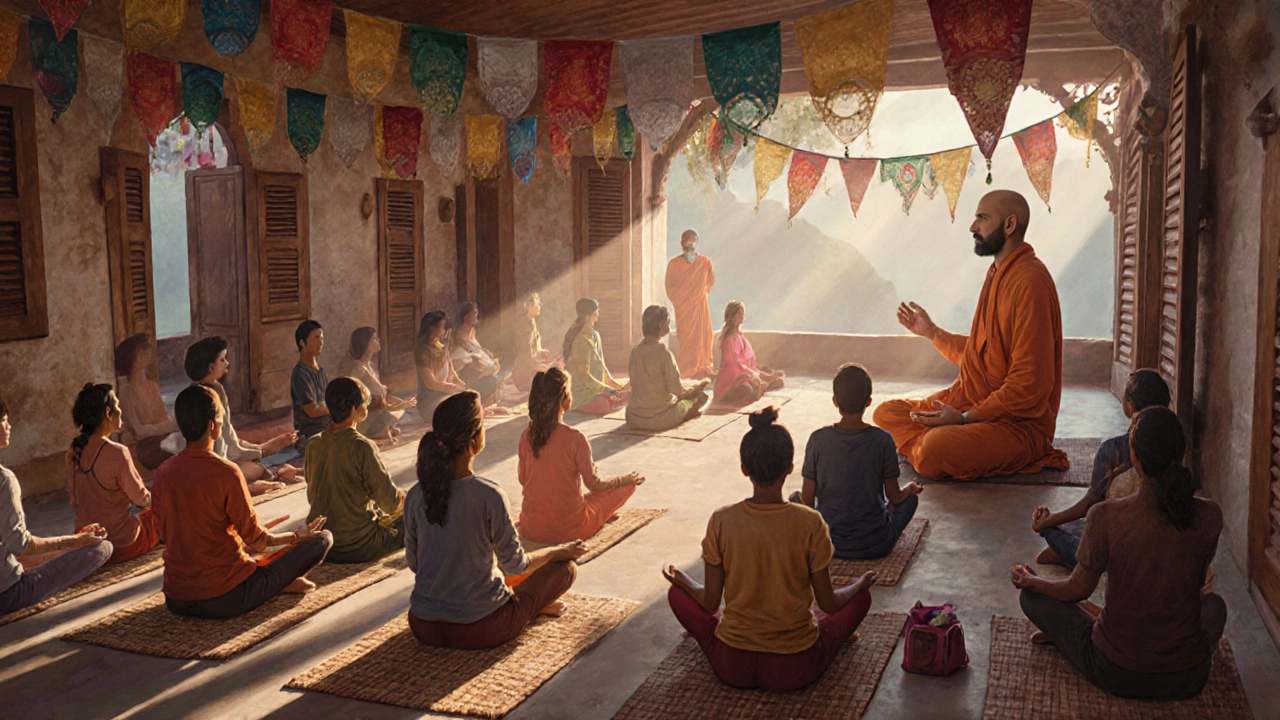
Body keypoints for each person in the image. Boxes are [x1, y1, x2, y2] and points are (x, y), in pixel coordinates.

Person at [1012, 406, 1226, 701]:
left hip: (1116, 671)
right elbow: (1195, 584)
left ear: (1134, 458)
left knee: (1032, 599)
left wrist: (1033, 582)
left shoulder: (1105, 516)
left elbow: (1076, 589)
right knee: (1215, 606)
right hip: (1188, 677)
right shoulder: (1211, 515)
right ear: (1181, 454)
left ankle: (1075, 627)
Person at [663, 407, 877, 691]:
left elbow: (711, 602)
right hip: (795, 667)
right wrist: (857, 586)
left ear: (744, 468)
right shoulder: (810, 522)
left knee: (676, 594)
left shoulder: (721, 520)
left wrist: (685, 582)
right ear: (790, 467)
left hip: (731, 664)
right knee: (861, 601)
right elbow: (828, 604)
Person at [873, 191, 1067, 480]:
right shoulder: (997, 274)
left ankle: (922, 449)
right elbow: (979, 355)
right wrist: (932, 332)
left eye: (982, 218)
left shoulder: (1030, 282)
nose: (973, 226)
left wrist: (964, 419)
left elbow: (1029, 384)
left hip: (1016, 426)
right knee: (886, 413)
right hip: (971, 404)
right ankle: (927, 444)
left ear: (1010, 225)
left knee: (935, 449)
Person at [405, 391, 588, 649]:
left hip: (423, 625)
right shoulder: (488, 494)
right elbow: (515, 566)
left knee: (499, 575)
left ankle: (524, 602)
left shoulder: (415, 495)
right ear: (473, 440)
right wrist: (557, 552)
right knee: (566, 568)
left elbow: (414, 564)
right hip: (483, 628)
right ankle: (532, 607)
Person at [152, 385, 333, 619]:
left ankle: (278, 582)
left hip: (176, 597)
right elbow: (259, 541)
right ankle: (279, 584)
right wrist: (298, 535)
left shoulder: (163, 472)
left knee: (259, 555)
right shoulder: (226, 472)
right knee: (321, 539)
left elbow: (163, 533)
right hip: (227, 597)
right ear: (212, 426)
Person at [1033, 369, 1172, 568]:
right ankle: (1069, 552)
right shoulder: (1173, 443)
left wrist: (1046, 523)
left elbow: (1089, 505)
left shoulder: (1113, 450)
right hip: (1157, 546)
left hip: (1119, 551)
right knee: (1077, 524)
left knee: (1057, 529)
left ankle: (1072, 557)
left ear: (1130, 407)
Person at [0, 391, 113, 616]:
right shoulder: (4, 480)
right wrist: (77, 541)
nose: (9, 426)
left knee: (43, 555)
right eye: (3, 421)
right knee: (101, 549)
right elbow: (20, 545)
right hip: (7, 594)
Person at [793, 364, 923, 560]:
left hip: (827, 543)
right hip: (875, 544)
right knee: (909, 501)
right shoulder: (883, 440)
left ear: (835, 401)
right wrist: (910, 488)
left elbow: (808, 503)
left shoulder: (817, 440)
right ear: (869, 401)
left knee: (795, 499)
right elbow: (895, 497)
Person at [518, 368, 645, 544]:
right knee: (628, 487)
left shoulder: (526, 435)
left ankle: (595, 513)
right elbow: (594, 484)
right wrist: (623, 480)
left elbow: (523, 479)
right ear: (564, 399)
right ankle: (599, 517)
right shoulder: (575, 438)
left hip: (530, 528)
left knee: (587, 500)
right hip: (571, 529)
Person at [305, 377, 406, 564]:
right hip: (359, 545)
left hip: (323, 544)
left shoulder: (314, 443)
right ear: (354, 410)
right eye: (365, 402)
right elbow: (389, 503)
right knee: (414, 513)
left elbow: (315, 492)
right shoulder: (362, 446)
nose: (367, 406)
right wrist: (405, 499)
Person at [185, 336, 301, 495]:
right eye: (222, 360)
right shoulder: (206, 397)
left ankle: (271, 475)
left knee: (258, 467)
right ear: (210, 368)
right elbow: (227, 449)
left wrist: (262, 448)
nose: (227, 363)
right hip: (214, 463)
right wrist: (267, 449)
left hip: (219, 458)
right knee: (257, 469)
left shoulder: (215, 388)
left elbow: (230, 438)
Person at [66, 383, 161, 565]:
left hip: (87, 543)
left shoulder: (74, 448)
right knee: (163, 510)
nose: (120, 410)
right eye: (117, 405)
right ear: (108, 413)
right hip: (122, 545)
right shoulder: (117, 452)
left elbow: (74, 502)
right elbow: (142, 500)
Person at [625, 305, 710, 431]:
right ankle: (685, 414)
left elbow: (634, 382)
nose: (669, 324)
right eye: (668, 321)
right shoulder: (664, 353)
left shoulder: (635, 351)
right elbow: (677, 391)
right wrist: (693, 390)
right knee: (700, 397)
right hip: (660, 418)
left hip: (633, 417)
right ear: (660, 325)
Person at [337, 327, 416, 443]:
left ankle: (383, 432)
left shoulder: (371, 366)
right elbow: (349, 398)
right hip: (365, 417)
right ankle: (376, 435)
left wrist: (402, 403)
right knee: (390, 440)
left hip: (377, 411)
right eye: (374, 338)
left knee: (400, 415)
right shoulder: (356, 369)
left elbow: (381, 394)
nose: (378, 339)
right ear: (366, 343)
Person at [114, 333, 178, 471]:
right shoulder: (126, 390)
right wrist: (171, 426)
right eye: (141, 351)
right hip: (141, 447)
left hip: (158, 439)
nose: (146, 352)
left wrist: (170, 427)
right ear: (131, 359)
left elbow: (162, 418)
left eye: (145, 349)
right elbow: (137, 431)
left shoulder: (152, 386)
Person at [562, 298, 628, 415]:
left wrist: (617, 387)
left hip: (598, 389)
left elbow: (603, 367)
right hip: (583, 393)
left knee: (624, 395)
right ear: (588, 316)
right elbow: (585, 376)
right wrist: (608, 390)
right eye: (596, 312)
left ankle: (612, 397)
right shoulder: (580, 341)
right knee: (607, 403)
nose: (598, 314)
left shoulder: (596, 335)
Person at [665, 229, 716, 379]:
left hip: (701, 309)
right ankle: (688, 369)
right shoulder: (674, 264)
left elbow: (710, 282)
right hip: (684, 310)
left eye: (692, 242)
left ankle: (704, 367)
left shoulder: (705, 263)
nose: (689, 245)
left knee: (704, 337)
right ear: (681, 244)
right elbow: (670, 288)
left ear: (696, 243)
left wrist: (697, 296)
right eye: (686, 242)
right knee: (687, 340)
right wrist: (684, 299)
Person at [715, 301, 784, 405]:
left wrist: (763, 374)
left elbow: (749, 363)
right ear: (733, 316)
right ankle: (760, 385)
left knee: (777, 381)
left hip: (746, 373)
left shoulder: (740, 336)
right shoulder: (729, 339)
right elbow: (734, 365)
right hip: (732, 379)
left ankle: (762, 384)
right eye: (740, 313)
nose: (743, 316)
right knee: (751, 390)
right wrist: (757, 375)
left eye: (743, 313)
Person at [415, 311, 467, 424]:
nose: (447, 329)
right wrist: (453, 388)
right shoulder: (422, 351)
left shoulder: (442, 347)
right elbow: (431, 383)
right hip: (430, 401)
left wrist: (462, 386)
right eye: (443, 326)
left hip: (445, 393)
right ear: (431, 329)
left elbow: (452, 372)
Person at [450, 302, 503, 408]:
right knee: (492, 381)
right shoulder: (460, 339)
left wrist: (490, 359)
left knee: (497, 378)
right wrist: (488, 368)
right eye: (474, 313)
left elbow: (479, 353)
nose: (477, 315)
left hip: (480, 373)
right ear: (466, 317)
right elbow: (467, 364)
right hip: (468, 380)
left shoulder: (471, 333)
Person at [291, 320, 330, 453]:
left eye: (322, 338)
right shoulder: (300, 373)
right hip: (310, 431)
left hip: (327, 425)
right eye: (316, 338)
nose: (321, 342)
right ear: (302, 342)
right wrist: (335, 406)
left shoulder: (321, 371)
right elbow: (312, 410)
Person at [511, 293, 556, 391]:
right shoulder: (522, 325)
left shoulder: (532, 322)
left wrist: (540, 351)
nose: (539, 308)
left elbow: (534, 347)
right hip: (524, 371)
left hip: (532, 366)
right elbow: (524, 352)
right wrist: (538, 366)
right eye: (536, 305)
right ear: (528, 307)